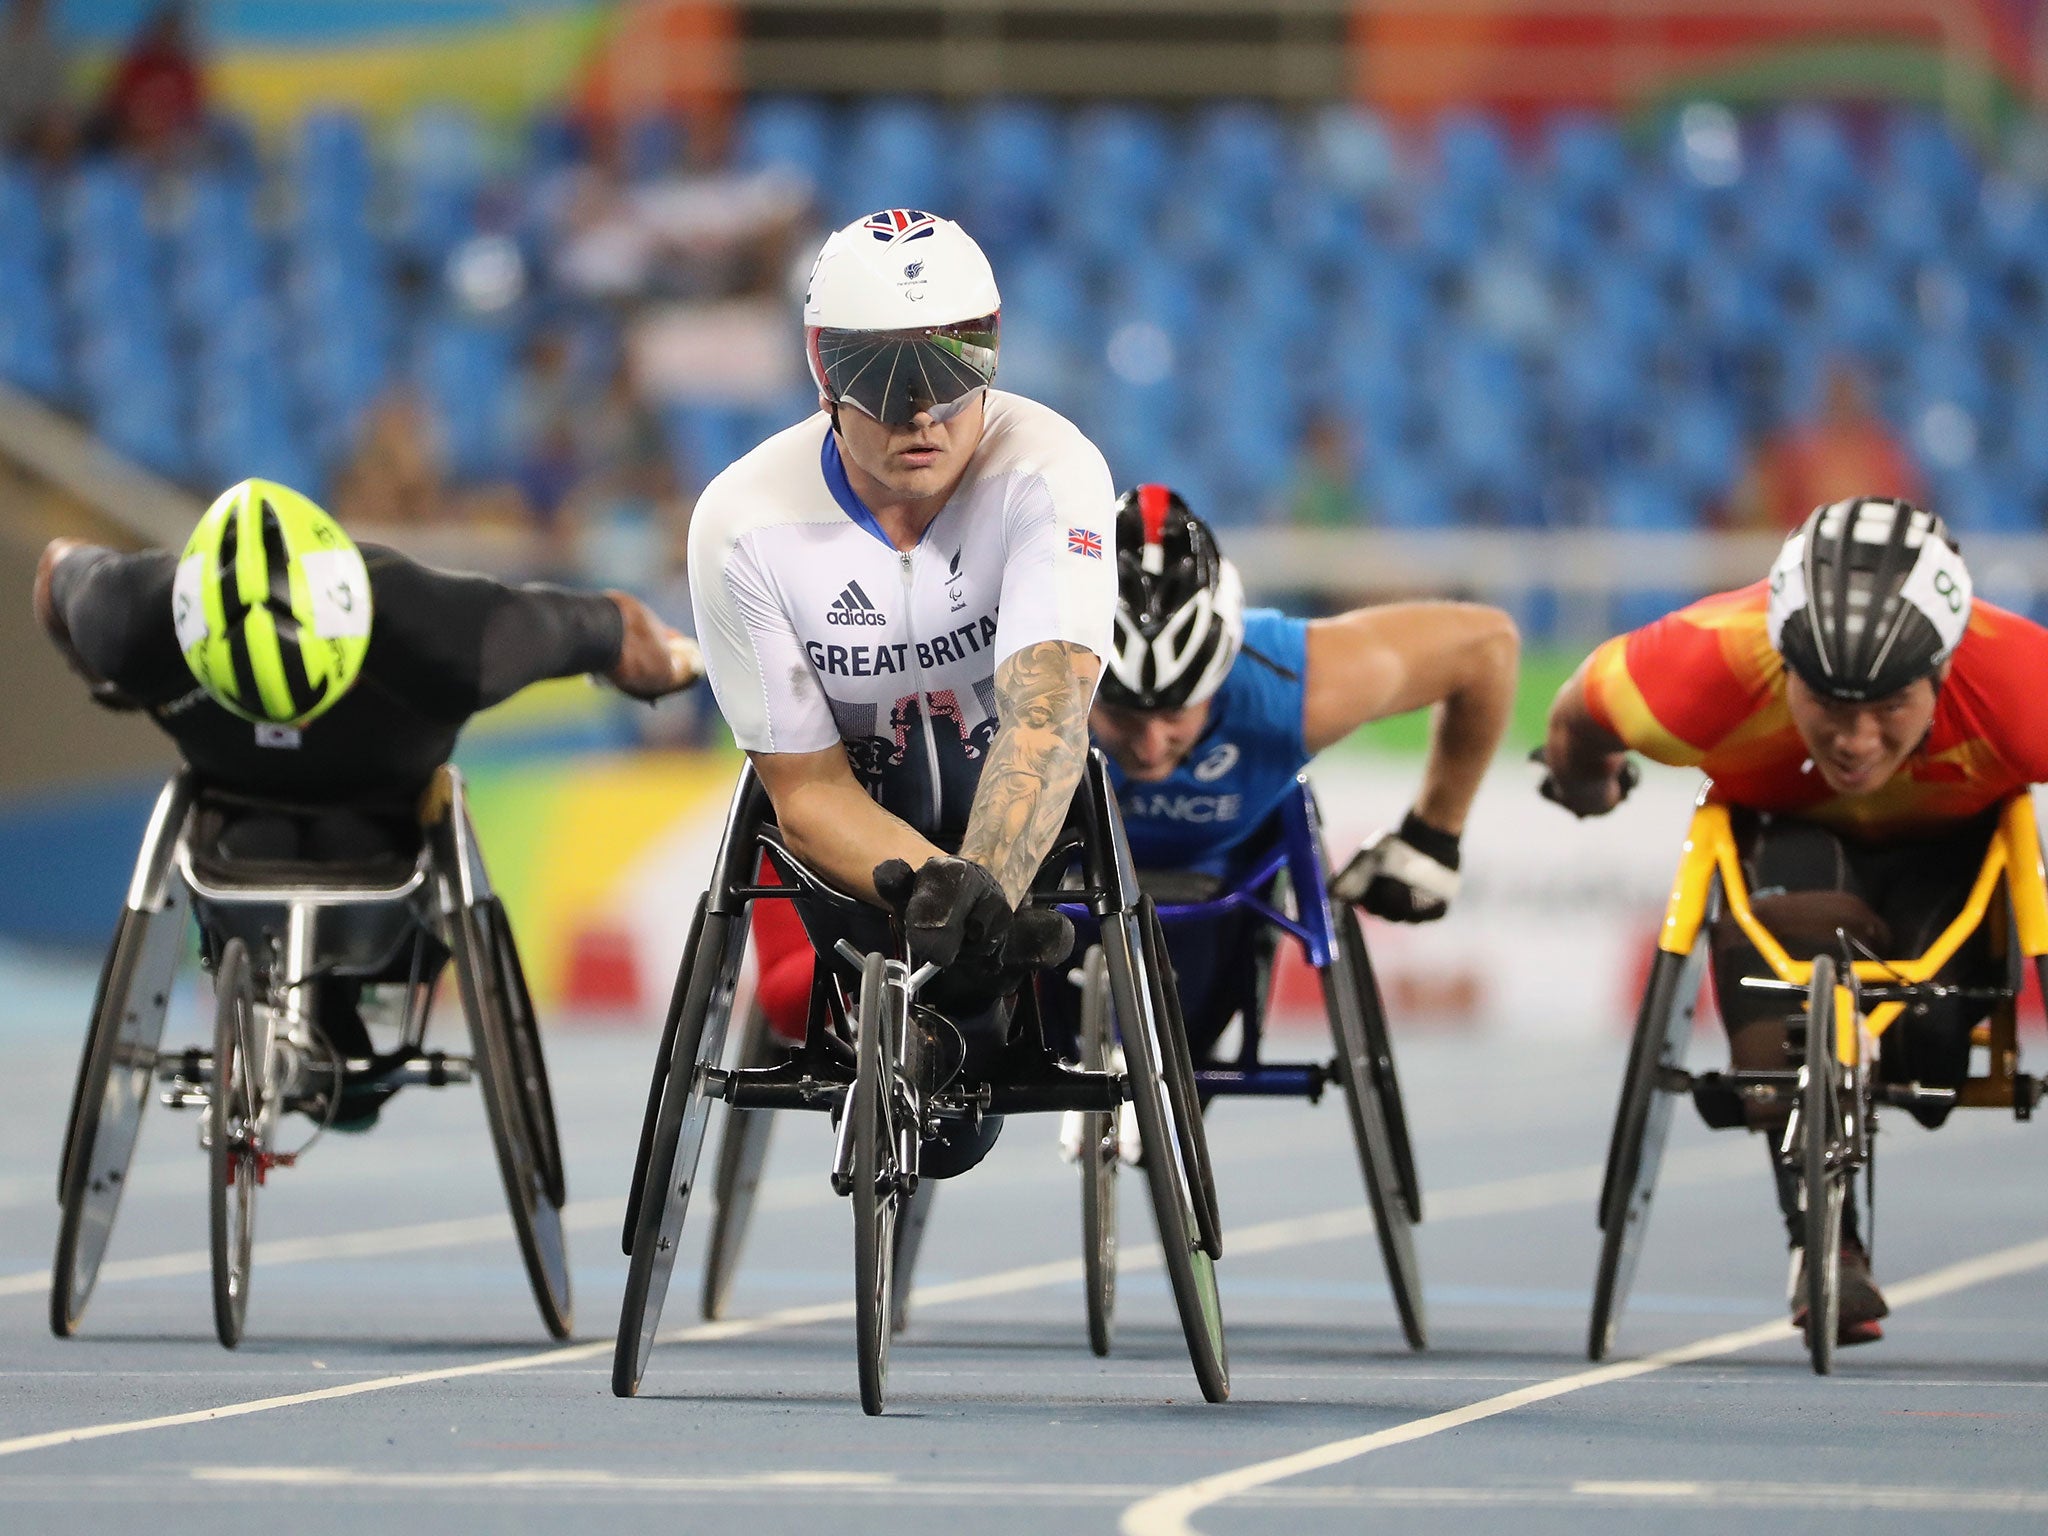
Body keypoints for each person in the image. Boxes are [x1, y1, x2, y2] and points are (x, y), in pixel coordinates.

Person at [1539, 495, 2048, 1346]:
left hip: (1952, 859)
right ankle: (1824, 1250)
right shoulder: (1703, 666)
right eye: (1828, 704)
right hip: (1786, 842)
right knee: (1781, 1016)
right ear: (1783, 658)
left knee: (1930, 1043)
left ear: (1945, 671)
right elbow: (1576, 719)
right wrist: (1586, 783)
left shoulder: (2023, 685)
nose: (1855, 740)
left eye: (1889, 707)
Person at [35, 476, 703, 1121]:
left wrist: (103, 678)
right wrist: (663, 669)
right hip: (238, 834)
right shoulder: (132, 614)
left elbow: (604, 625)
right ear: (190, 632)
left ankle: (334, 1033)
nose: (289, 729)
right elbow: (616, 632)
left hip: (383, 843)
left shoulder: (440, 627)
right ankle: (319, 1034)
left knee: (349, 1044)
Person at [687, 208, 1115, 1175]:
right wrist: (934, 889)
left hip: (1029, 856)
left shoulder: (1051, 473)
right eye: (883, 376)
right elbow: (805, 789)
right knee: (803, 980)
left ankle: (970, 1012)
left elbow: (1048, 718)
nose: (922, 410)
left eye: (954, 366)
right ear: (824, 371)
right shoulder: (744, 524)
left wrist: (984, 903)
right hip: (859, 857)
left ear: (993, 354)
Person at [1049, 484, 1516, 1094]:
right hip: (1046, 918)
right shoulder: (1019, 677)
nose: (1151, 743)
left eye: (1176, 713)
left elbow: (1488, 648)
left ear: (1218, 676)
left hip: (1221, 914)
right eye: (1124, 717)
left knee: (1187, 1056)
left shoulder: (1287, 684)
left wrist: (1434, 836)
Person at [1727, 360, 1924, 532]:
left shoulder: (1885, 451)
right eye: (1836, 391)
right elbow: (1769, 506)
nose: (1843, 399)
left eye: (1848, 391)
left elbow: (1905, 510)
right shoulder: (1799, 450)